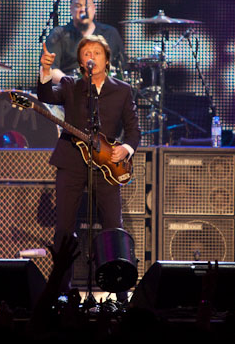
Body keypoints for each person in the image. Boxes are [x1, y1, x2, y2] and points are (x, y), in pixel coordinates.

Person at [38, 34, 140, 297]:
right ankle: (62, 289)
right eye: (86, 53)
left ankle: (119, 288)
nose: (91, 56)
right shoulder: (72, 86)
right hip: (71, 161)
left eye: (96, 52)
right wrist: (46, 70)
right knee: (64, 226)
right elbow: (47, 94)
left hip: (107, 166)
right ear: (81, 62)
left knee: (112, 223)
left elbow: (133, 132)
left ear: (106, 59)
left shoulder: (122, 90)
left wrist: (125, 150)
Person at [45, 0, 126, 84]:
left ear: (94, 9)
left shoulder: (111, 33)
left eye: (87, 6)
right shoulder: (58, 34)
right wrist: (74, 83)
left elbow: (123, 68)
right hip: (71, 91)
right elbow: (49, 69)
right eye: (78, 6)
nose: (83, 9)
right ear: (71, 9)